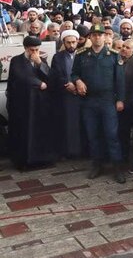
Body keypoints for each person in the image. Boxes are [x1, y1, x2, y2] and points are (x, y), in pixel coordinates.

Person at [71, 24, 126, 183]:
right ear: (90, 37)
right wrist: (78, 81)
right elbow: (74, 73)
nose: (97, 37)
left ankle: (117, 166)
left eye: (100, 35)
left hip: (108, 100)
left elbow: (120, 80)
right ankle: (97, 164)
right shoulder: (82, 54)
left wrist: (121, 99)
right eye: (93, 35)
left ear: (105, 37)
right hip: (89, 100)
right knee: (93, 135)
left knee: (111, 134)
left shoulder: (114, 55)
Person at [6, 36, 56, 170]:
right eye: (32, 50)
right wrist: (39, 83)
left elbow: (51, 76)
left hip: (39, 104)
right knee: (25, 133)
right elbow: (21, 76)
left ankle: (41, 160)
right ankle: (25, 161)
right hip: (24, 104)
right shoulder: (16, 60)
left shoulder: (41, 59)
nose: (34, 52)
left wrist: (40, 63)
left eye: (37, 50)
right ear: (26, 49)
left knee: (40, 132)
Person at [49, 29, 85, 158]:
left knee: (82, 123)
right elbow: (56, 74)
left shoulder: (83, 55)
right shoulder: (57, 57)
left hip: (82, 93)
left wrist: (77, 84)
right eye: (68, 42)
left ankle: (83, 151)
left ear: (77, 42)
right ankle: (69, 152)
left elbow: (86, 73)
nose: (71, 45)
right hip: (65, 95)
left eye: (73, 42)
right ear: (63, 42)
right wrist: (67, 84)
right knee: (68, 124)